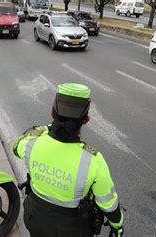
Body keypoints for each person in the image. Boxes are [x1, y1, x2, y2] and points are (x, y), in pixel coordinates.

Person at [13, 83, 124, 237]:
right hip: (72, 230)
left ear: (52, 114)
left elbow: (16, 147)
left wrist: (45, 129)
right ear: (86, 120)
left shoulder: (31, 143)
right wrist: (117, 226)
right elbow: (109, 204)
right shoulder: (93, 160)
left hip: (34, 219)